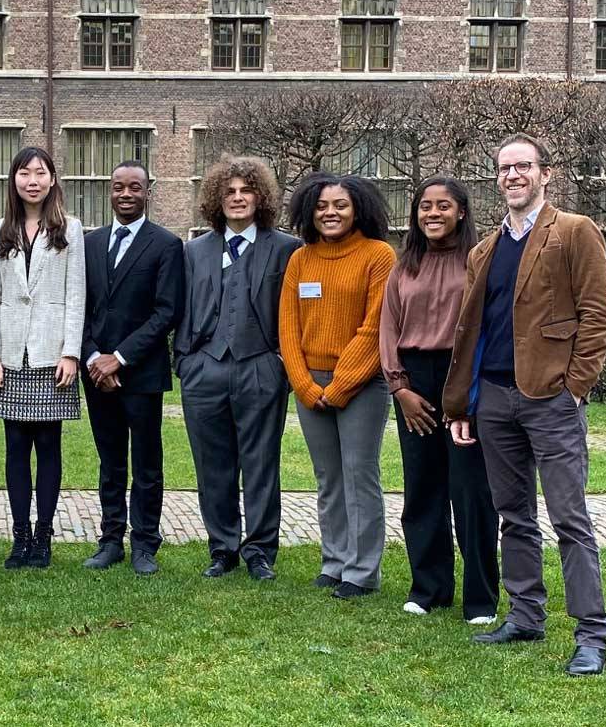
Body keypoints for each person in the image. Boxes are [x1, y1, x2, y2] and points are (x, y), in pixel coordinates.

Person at [444, 133, 606, 677]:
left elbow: (598, 317)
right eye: (503, 169)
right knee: (513, 516)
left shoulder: (574, 231)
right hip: (494, 400)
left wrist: (575, 387)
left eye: (523, 166)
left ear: (546, 173)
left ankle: (591, 634)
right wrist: (465, 404)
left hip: (552, 400)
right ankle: (525, 615)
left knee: (569, 519)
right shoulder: (483, 250)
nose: (512, 176)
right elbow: (474, 331)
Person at [378, 178, 498, 624]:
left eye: (442, 206)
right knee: (422, 488)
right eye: (425, 206)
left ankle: (481, 599)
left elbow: (487, 329)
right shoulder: (403, 264)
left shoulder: (478, 262)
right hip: (413, 380)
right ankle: (429, 589)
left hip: (462, 378)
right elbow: (387, 329)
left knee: (471, 492)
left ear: (461, 212)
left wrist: (467, 393)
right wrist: (400, 388)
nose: (432, 213)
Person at [175, 156, 300, 580]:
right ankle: (222, 547)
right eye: (229, 191)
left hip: (261, 367)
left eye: (246, 190)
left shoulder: (286, 248)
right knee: (213, 463)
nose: (238, 198)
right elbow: (183, 310)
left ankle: (260, 550)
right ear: (216, 198)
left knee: (261, 460)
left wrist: (282, 363)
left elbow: (294, 312)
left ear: (260, 197)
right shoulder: (194, 250)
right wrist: (186, 362)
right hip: (205, 368)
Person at [279, 173, 396, 600]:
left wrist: (342, 384)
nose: (331, 213)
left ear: (358, 208)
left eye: (340, 205)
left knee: (358, 474)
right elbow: (288, 328)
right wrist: (306, 387)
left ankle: (362, 572)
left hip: (362, 384)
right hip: (311, 385)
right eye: (322, 206)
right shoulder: (301, 259)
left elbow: (374, 327)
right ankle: (334, 561)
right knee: (328, 478)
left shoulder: (378, 255)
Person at [0, 146, 86, 569]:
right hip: (10, 355)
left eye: (40, 173)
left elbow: (76, 294)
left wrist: (71, 353)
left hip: (51, 353)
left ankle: (44, 537)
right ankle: (19, 536)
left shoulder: (70, 230)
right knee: (15, 447)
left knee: (48, 445)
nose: (33, 181)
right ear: (15, 180)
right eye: (25, 173)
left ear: (53, 180)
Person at [81, 160, 183, 575]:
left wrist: (119, 357)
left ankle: (144, 543)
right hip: (96, 375)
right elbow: (79, 309)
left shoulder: (166, 244)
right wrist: (93, 359)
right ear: (110, 191)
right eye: (119, 186)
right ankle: (110, 540)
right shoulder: (89, 244)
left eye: (135, 187)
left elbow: (166, 312)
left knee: (145, 462)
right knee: (109, 461)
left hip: (139, 372)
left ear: (148, 192)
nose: (126, 194)